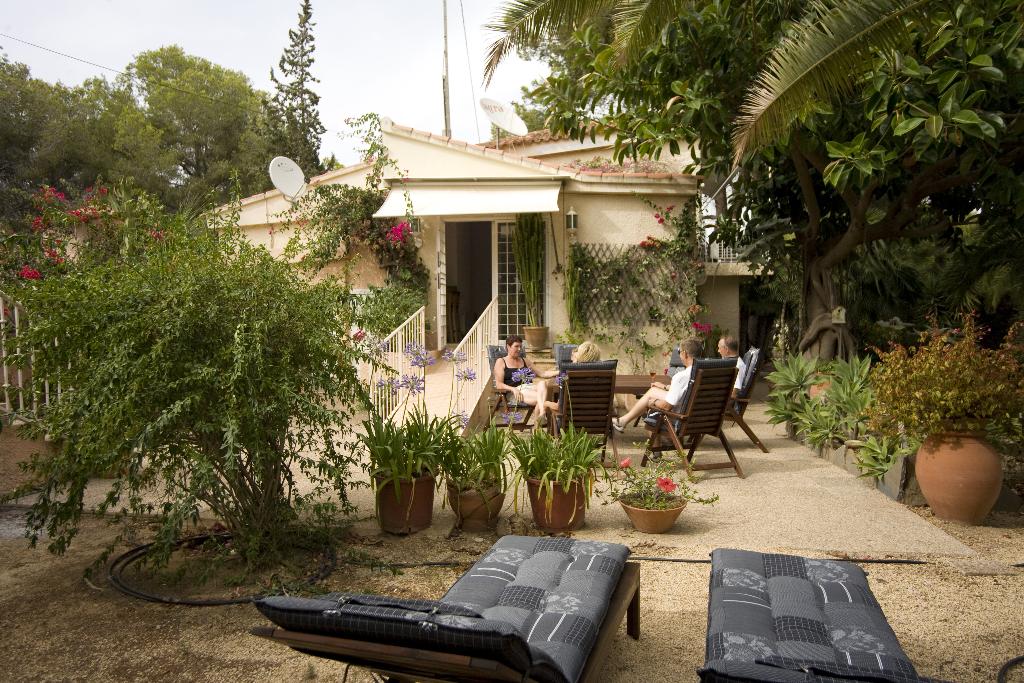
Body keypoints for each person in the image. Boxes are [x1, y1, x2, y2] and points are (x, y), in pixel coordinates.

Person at [613, 337, 703, 432]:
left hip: (678, 418)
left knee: (651, 401)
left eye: (679, 352)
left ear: (684, 354)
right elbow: (685, 390)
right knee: (654, 391)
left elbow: (666, 406)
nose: (679, 355)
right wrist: (665, 387)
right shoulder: (701, 373)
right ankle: (623, 421)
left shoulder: (681, 376)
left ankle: (623, 422)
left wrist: (653, 402)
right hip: (697, 418)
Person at [492, 334, 559, 425]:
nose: (519, 349)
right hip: (516, 392)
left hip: (530, 387)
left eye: (520, 346)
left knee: (542, 383)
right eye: (516, 346)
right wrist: (513, 389)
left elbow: (543, 373)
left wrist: (561, 371)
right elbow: (499, 384)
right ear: (508, 346)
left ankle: (542, 412)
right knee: (541, 397)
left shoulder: (525, 360)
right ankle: (547, 405)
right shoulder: (501, 361)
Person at [542, 341, 601, 417]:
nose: (573, 352)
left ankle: (539, 421)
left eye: (577, 351)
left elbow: (558, 407)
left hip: (572, 420)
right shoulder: (602, 375)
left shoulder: (568, 375)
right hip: (597, 419)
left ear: (580, 356)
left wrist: (546, 403)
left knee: (545, 403)